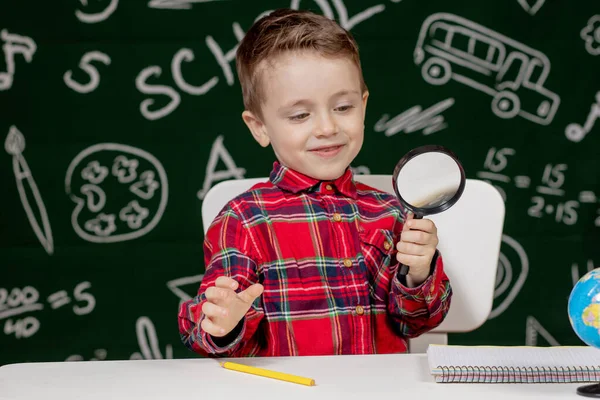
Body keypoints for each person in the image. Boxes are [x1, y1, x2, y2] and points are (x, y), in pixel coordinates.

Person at [178, 8, 452, 357]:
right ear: (259, 126)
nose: (326, 127)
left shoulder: (392, 212)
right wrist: (222, 323)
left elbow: (415, 323)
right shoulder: (244, 220)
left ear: (363, 106)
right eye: (300, 115)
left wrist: (418, 272)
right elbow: (213, 329)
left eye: (342, 107)